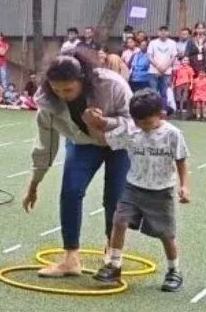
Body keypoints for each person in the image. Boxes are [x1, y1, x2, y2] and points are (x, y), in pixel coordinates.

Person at [20, 49, 132, 277]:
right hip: (82, 143)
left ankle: (112, 252)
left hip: (120, 144)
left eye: (68, 89)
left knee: (114, 198)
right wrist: (34, 184)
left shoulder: (113, 85)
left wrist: (104, 123)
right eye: (56, 89)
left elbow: (135, 124)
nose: (62, 95)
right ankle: (71, 259)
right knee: (70, 192)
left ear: (82, 80)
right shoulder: (46, 101)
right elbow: (45, 145)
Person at [85, 89, 190, 292]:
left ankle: (174, 270)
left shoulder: (172, 134)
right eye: (138, 122)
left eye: (148, 122)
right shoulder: (132, 131)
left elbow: (181, 161)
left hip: (161, 191)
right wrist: (91, 122)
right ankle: (114, 264)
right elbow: (104, 139)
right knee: (119, 221)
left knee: (166, 234)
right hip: (133, 187)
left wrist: (184, 186)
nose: (143, 126)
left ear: (161, 114)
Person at [149, 26, 178, 111]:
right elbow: (149, 56)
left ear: (168, 33)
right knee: (153, 93)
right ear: (158, 32)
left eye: (165, 31)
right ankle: (153, 111)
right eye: (161, 31)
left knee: (164, 93)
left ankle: (163, 110)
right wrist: (158, 67)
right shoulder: (153, 43)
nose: (163, 33)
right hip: (154, 71)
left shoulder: (172, 43)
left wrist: (164, 68)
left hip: (166, 72)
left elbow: (173, 57)